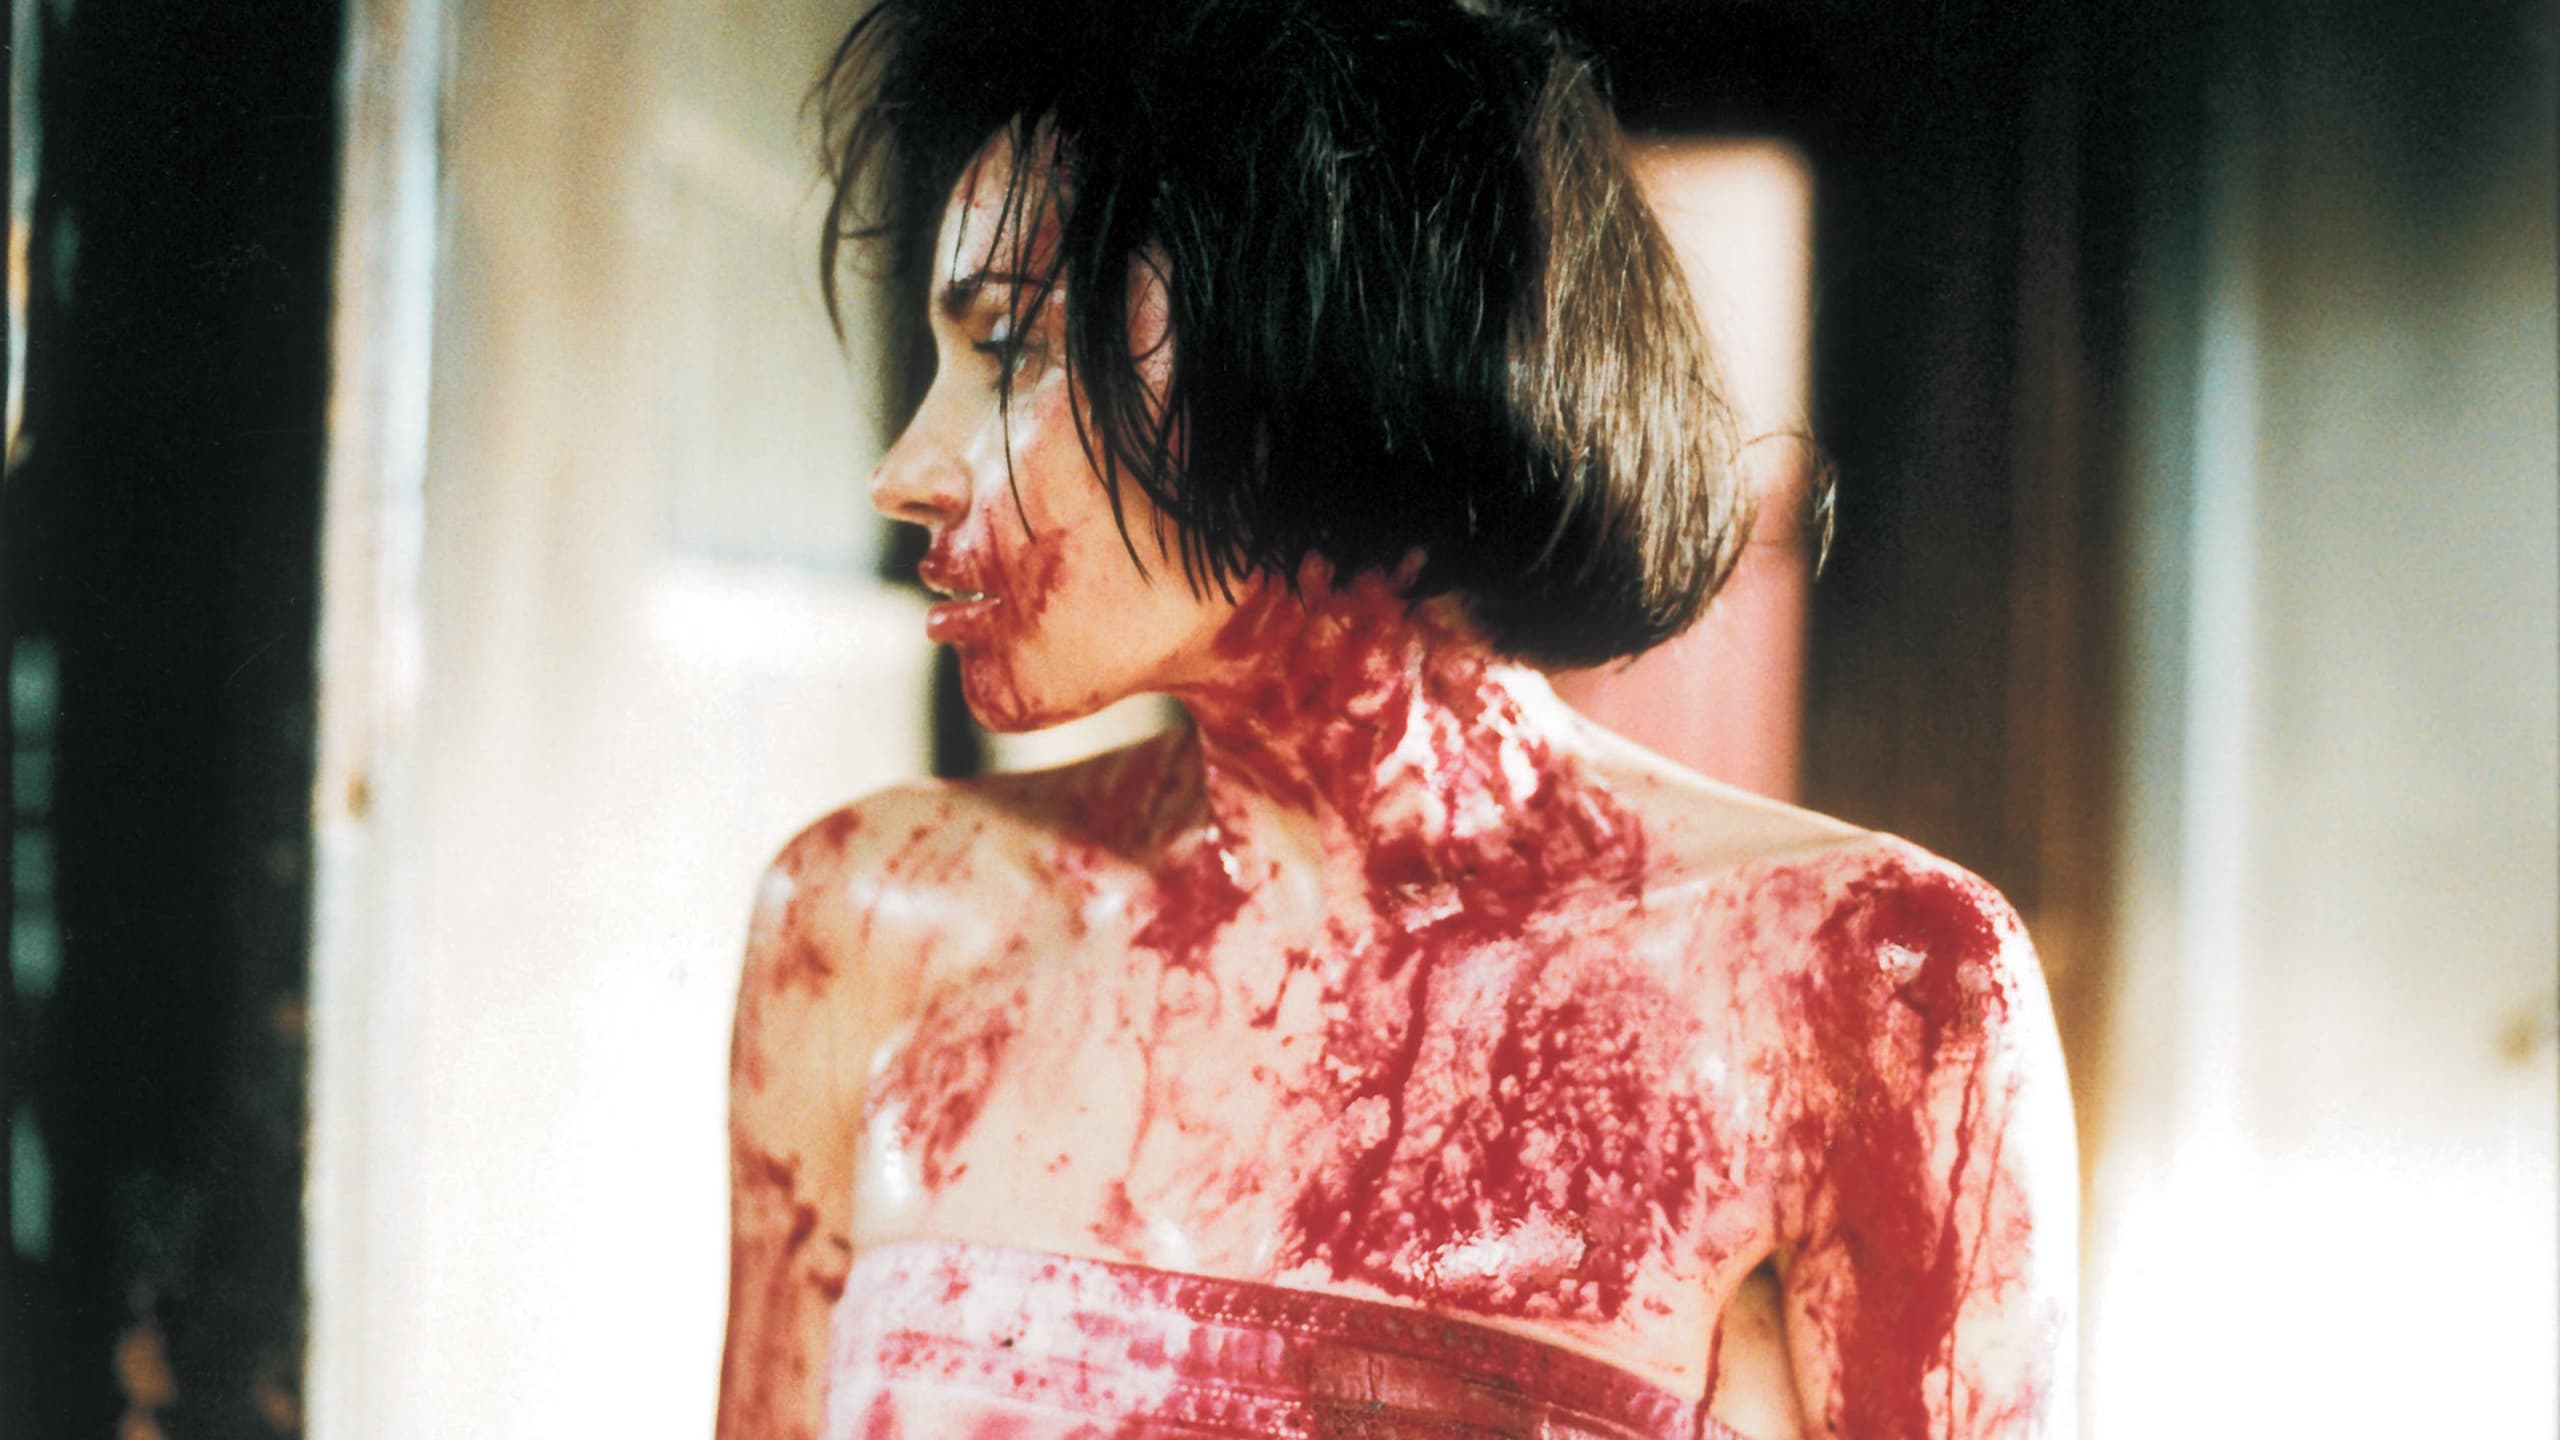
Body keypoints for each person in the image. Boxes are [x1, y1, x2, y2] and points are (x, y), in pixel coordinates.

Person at [718, 2, 2076, 1436]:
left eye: (1011, 347)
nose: (907, 470)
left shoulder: (1864, 986)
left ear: (1330, 338)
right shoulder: (875, 923)